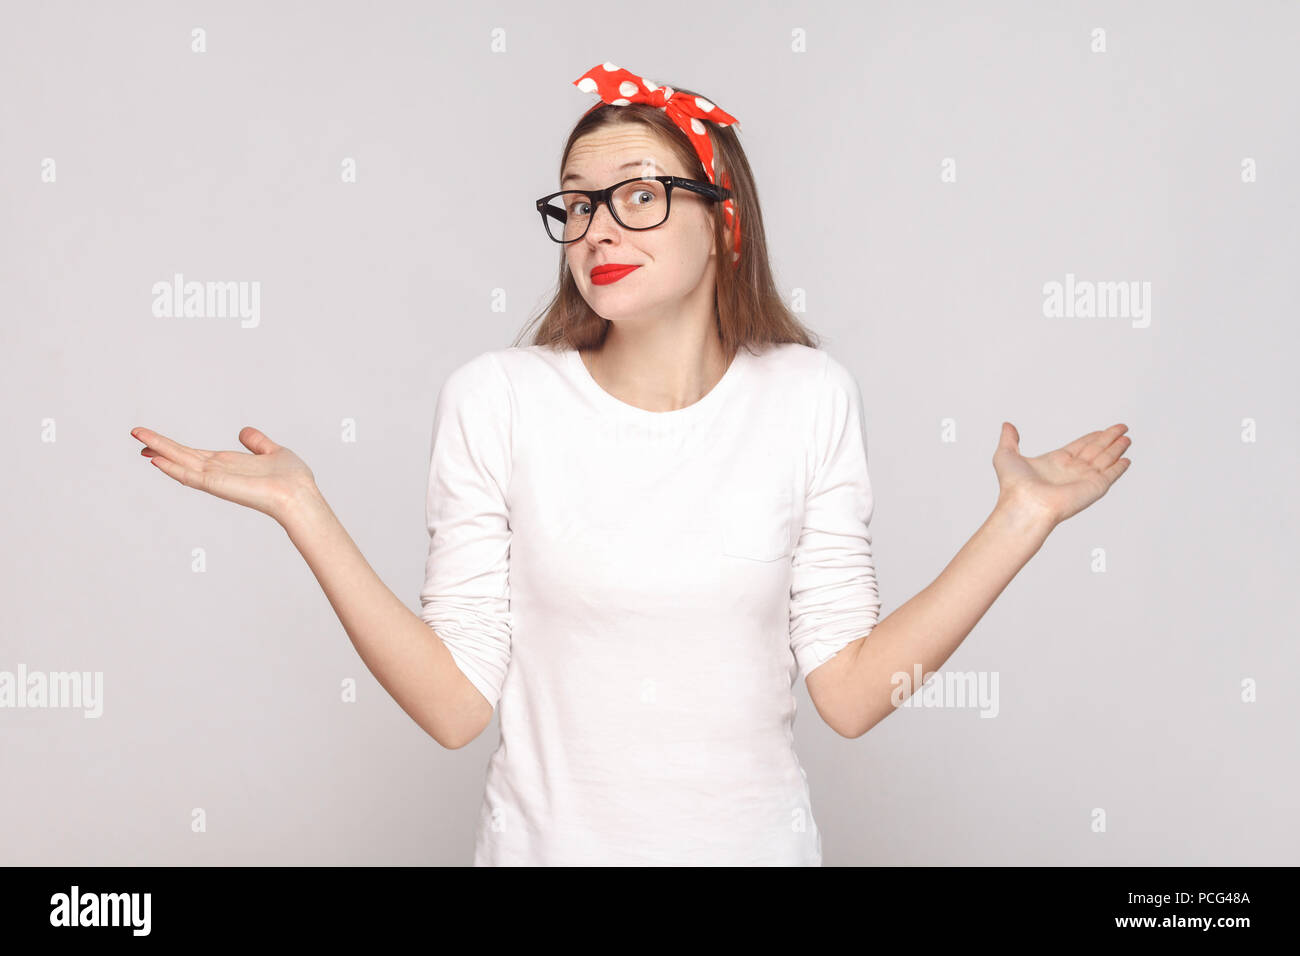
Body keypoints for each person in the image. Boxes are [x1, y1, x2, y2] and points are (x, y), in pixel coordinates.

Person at [129, 63, 1134, 866]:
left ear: (723, 221)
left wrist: (1021, 521)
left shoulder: (808, 396)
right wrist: (306, 507)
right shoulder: (498, 398)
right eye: (577, 204)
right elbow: (451, 705)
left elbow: (852, 690)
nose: (599, 227)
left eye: (638, 195)